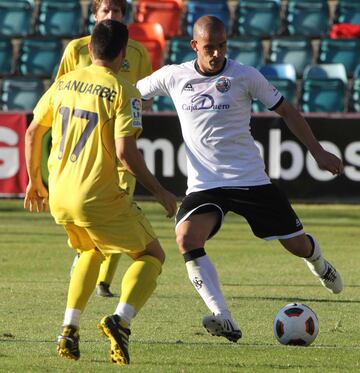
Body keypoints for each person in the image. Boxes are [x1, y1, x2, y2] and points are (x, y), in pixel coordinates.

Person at [136, 15, 344, 343]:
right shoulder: (174, 76)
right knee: (187, 238)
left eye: (221, 46)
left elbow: (288, 111)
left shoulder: (245, 76)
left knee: (296, 245)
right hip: (205, 186)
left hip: (250, 180)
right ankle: (223, 315)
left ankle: (318, 261)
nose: (216, 53)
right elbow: (134, 96)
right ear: (194, 46)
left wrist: (317, 152)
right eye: (209, 48)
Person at [24, 20, 177, 365]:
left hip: (60, 195)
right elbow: (126, 153)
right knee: (152, 255)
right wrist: (161, 191)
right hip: (96, 196)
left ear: (90, 49)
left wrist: (35, 181)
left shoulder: (64, 82)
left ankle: (68, 328)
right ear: (123, 55)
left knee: (91, 250)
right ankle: (120, 321)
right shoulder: (124, 91)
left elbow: (33, 132)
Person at [56, 0, 154, 298]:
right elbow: (61, 89)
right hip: (88, 150)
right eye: (106, 11)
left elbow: (145, 93)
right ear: (95, 15)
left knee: (119, 203)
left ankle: (102, 281)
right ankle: (91, 260)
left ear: (125, 16)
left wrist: (128, 113)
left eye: (117, 12)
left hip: (122, 144)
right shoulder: (76, 49)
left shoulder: (136, 52)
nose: (111, 16)